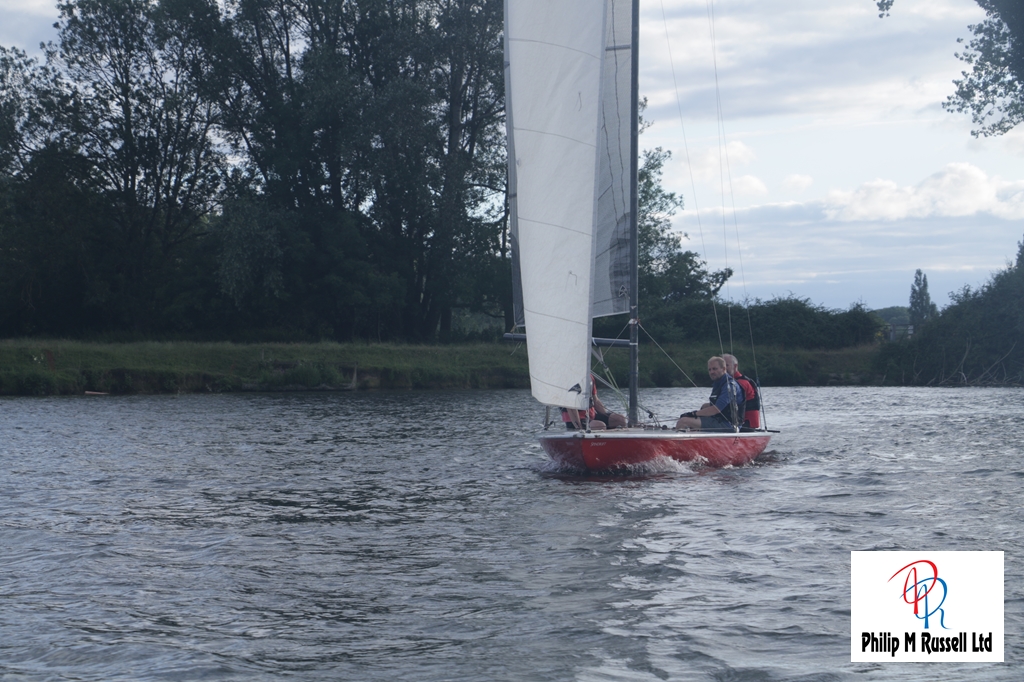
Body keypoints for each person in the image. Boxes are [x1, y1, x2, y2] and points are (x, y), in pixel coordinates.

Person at [675, 356, 745, 432]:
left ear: (724, 369)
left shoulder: (729, 385)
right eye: (710, 369)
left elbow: (716, 409)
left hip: (729, 425)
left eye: (714, 369)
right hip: (718, 420)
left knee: (683, 421)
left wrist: (693, 414)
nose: (711, 372)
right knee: (704, 406)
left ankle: (678, 441)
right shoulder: (718, 383)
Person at [562, 374, 627, 430]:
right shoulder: (570, 379)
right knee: (600, 425)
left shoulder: (589, 377)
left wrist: (606, 417)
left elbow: (595, 400)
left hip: (592, 417)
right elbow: (570, 407)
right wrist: (579, 427)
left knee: (620, 419)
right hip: (574, 420)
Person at [723, 353, 761, 429]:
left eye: (726, 365)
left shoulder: (741, 383)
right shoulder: (730, 382)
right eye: (722, 366)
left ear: (735, 366)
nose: (724, 369)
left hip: (746, 423)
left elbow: (726, 404)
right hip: (738, 422)